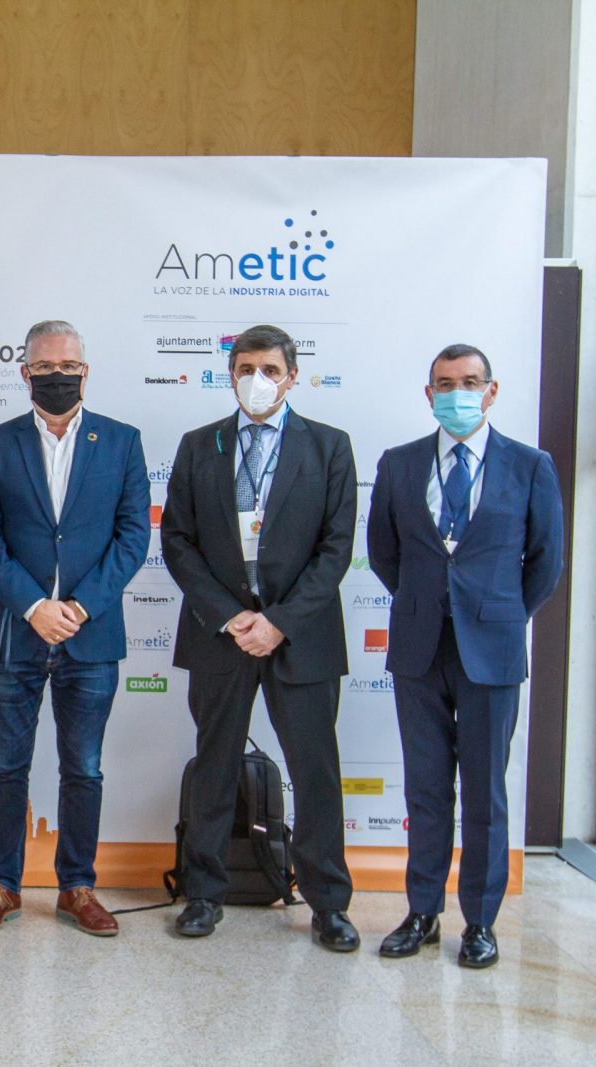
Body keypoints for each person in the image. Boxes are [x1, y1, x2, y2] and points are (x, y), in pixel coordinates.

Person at [160, 323, 360, 951]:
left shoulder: (329, 446)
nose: (257, 380)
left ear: (292, 377)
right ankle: (203, 893)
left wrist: (278, 622)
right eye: (246, 368)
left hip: (301, 636)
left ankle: (329, 903)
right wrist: (231, 617)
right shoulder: (200, 445)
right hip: (220, 635)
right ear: (230, 374)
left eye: (270, 370)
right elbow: (178, 541)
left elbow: (335, 549)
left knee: (315, 772)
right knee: (214, 768)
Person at [368, 343, 563, 969]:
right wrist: (427, 602)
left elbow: (545, 563)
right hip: (419, 649)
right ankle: (422, 913)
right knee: (426, 791)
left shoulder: (530, 466)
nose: (458, 393)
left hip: (492, 651)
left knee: (485, 794)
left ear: (491, 391)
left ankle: (480, 922)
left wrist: (498, 613)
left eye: (470, 382)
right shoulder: (399, 464)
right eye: (446, 384)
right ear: (429, 394)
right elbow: (384, 554)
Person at [0, 320, 150, 936]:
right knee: (6, 765)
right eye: (44, 367)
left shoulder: (121, 441)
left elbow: (133, 536)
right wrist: (34, 605)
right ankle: (2, 887)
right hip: (15, 633)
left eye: (68, 366)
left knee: (84, 767)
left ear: (85, 372)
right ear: (25, 373)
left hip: (91, 636)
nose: (57, 376)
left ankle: (77, 887)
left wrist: (81, 607)